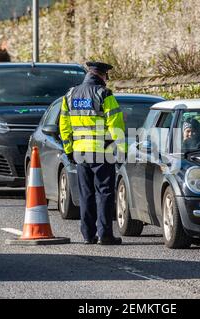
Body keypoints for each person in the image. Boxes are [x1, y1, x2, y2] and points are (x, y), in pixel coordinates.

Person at [59, 61, 126, 245]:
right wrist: (122, 150)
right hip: (102, 152)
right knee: (104, 193)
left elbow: (64, 126)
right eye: (106, 76)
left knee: (86, 194)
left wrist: (69, 149)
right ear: (102, 76)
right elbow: (115, 125)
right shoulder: (104, 94)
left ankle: (88, 235)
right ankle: (105, 235)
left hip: (80, 153)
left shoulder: (70, 94)